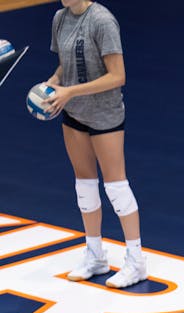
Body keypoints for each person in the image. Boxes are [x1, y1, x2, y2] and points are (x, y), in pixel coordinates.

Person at [46, 0, 147, 289]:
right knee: (84, 184)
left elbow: (118, 76)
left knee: (116, 186)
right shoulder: (60, 18)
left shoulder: (102, 20)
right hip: (74, 111)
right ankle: (95, 254)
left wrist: (70, 91)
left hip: (105, 115)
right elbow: (66, 63)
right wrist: (52, 84)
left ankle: (136, 260)